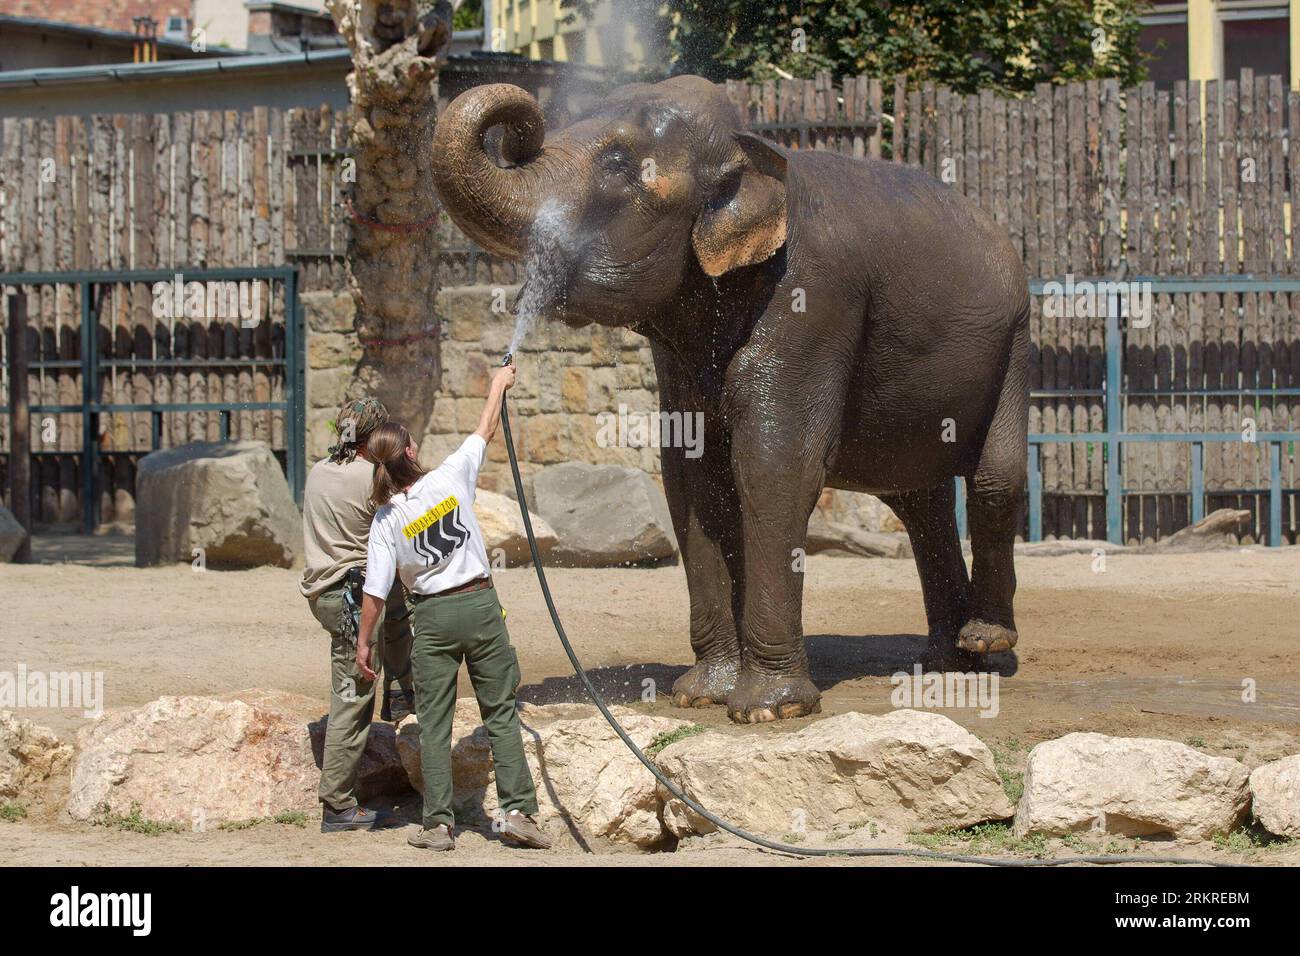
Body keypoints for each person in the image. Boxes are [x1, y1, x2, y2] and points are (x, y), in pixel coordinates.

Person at [355, 365, 551, 851]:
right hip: (481, 606)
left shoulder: (385, 520)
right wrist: (498, 384)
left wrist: (364, 645)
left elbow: (375, 594)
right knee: (500, 712)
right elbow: (485, 427)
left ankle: (438, 825)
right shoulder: (451, 475)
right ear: (410, 452)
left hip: (433, 619)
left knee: (434, 724)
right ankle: (518, 813)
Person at [301, 398, 416, 833]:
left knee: (398, 605)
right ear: (373, 436)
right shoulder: (372, 477)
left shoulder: (318, 470)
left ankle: (402, 691)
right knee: (353, 695)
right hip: (351, 598)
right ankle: (337, 805)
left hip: (324, 593)